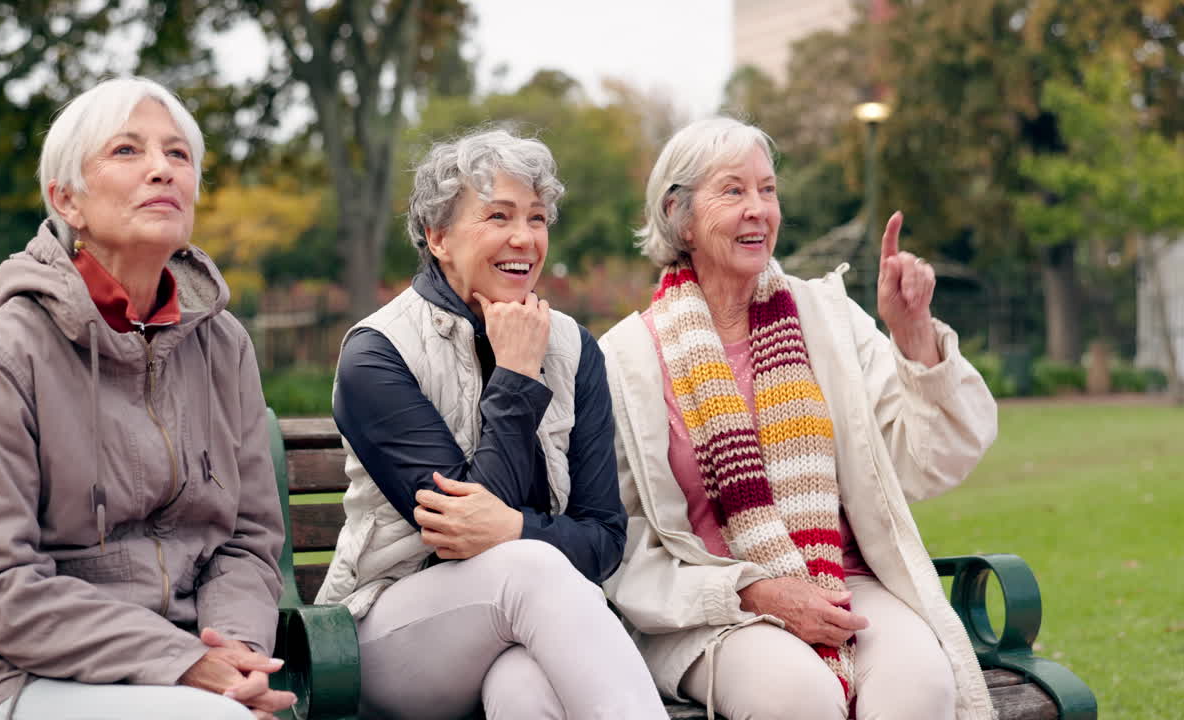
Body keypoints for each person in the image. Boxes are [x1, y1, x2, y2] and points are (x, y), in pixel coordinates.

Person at [598, 116, 999, 720]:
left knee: (920, 688)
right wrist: (756, 593)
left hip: (844, 580)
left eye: (768, 189)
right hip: (711, 607)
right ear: (679, 216)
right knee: (796, 697)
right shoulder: (626, 358)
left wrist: (913, 334)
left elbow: (935, 460)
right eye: (733, 191)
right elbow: (622, 546)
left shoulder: (828, 321)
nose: (758, 208)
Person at [0, 77, 295, 720]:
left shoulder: (223, 344)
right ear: (66, 199)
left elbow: (247, 540)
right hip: (16, 678)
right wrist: (181, 666)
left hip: (192, 670)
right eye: (127, 151)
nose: (162, 169)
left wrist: (233, 655)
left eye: (178, 155)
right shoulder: (3, 355)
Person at [314, 128, 666, 720]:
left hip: (522, 621)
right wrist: (519, 374)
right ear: (438, 236)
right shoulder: (377, 353)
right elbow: (459, 539)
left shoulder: (575, 349)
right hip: (386, 634)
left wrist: (508, 526)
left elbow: (605, 540)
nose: (524, 238)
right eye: (498, 216)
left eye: (536, 217)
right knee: (526, 566)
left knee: (526, 688)